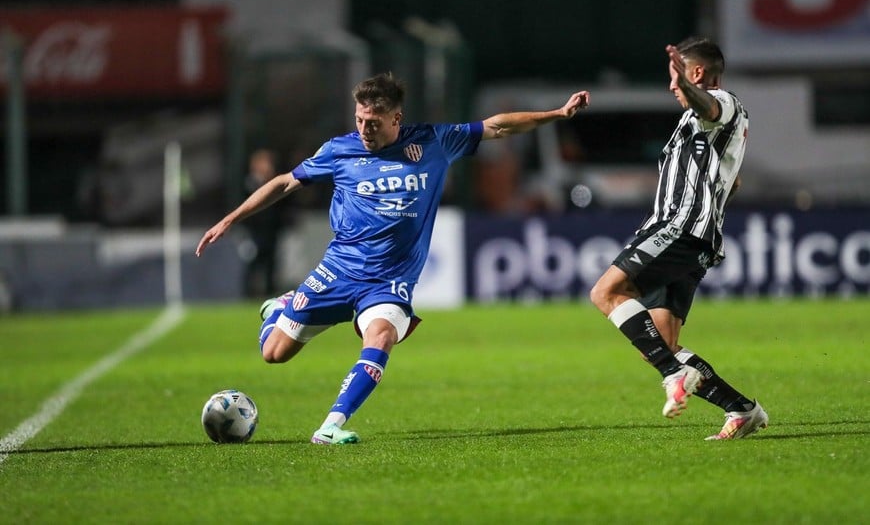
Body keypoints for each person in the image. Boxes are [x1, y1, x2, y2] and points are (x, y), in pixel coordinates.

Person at [196, 73, 590, 444]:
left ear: (396, 118)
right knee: (274, 353)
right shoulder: (339, 150)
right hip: (339, 270)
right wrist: (231, 218)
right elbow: (285, 182)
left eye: (373, 122)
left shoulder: (434, 142)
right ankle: (280, 307)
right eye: (359, 120)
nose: (364, 129)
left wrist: (556, 114)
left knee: (381, 336)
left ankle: (331, 426)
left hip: (390, 280)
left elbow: (497, 127)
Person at [589, 37, 768, 440]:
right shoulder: (705, 125)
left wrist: (688, 87)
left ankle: (674, 374)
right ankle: (742, 410)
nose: (672, 86)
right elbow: (734, 181)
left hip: (679, 228)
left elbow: (710, 106)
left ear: (698, 73)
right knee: (658, 343)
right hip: (695, 235)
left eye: (677, 78)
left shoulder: (721, 103)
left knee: (606, 293)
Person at [242, 149, 283, 298]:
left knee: (271, 263)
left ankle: (269, 292)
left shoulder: (274, 182)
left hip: (270, 231)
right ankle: (248, 293)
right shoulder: (248, 183)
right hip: (254, 232)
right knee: (252, 263)